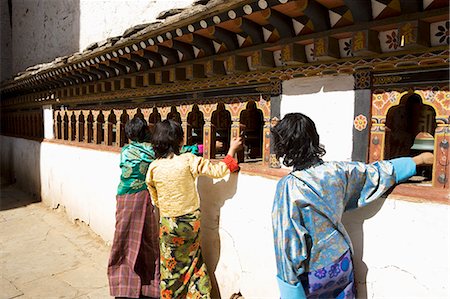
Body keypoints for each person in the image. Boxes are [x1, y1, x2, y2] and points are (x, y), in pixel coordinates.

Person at [270, 113, 434, 299]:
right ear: (314, 139)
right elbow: (377, 172)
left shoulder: (288, 187)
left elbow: (287, 243)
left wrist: (290, 290)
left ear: (284, 145)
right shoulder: (337, 172)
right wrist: (417, 160)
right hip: (341, 262)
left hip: (314, 272)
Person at [145, 119, 242, 298]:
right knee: (194, 261)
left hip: (168, 224)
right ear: (179, 140)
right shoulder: (188, 160)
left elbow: (155, 200)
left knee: (171, 268)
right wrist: (231, 150)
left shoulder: (153, 168)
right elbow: (218, 170)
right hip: (191, 224)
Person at [108, 117, 160, 298]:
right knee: (148, 241)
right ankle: (150, 285)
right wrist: (201, 148)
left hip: (124, 198)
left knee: (124, 239)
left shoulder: (126, 150)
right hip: (142, 198)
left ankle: (123, 284)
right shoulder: (152, 150)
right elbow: (179, 151)